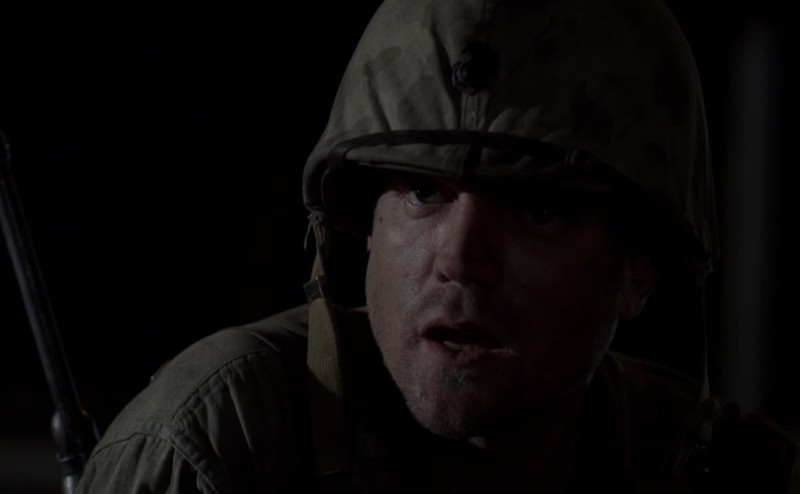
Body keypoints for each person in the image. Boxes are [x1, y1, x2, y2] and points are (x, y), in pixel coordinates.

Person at [76, 0, 799, 492]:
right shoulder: (217, 445)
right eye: (424, 194)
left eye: (538, 212)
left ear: (639, 269)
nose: (460, 261)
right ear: (363, 224)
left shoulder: (715, 467)